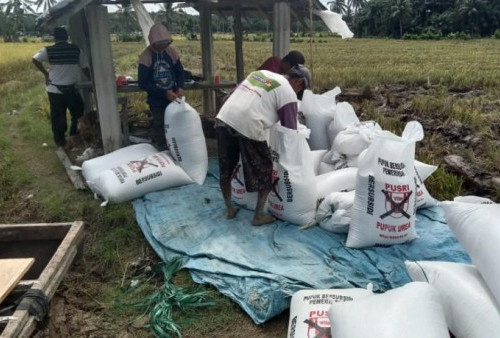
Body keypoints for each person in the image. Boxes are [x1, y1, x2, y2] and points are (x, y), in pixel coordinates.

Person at [215, 65, 311, 226]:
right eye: (301, 88)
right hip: (248, 124)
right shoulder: (288, 92)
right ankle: (258, 216)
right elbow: (290, 129)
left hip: (224, 117)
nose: (298, 92)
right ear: (299, 81)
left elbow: (231, 96)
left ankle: (230, 209)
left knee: (226, 168)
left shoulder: (259, 74)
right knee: (266, 170)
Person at [32, 27, 88, 148]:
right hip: (71, 89)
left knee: (58, 116)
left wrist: (46, 74)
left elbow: (35, 59)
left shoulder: (48, 50)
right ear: (67, 37)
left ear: (55, 38)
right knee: (78, 112)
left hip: (54, 90)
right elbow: (84, 67)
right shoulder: (75, 49)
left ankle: (60, 141)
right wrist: (92, 80)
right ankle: (74, 135)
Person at [138, 23, 185, 150]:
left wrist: (180, 87)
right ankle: (162, 150)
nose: (163, 46)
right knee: (160, 124)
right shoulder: (146, 56)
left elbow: (180, 72)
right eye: (160, 44)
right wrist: (163, 93)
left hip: (174, 97)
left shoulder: (171, 53)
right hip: (157, 101)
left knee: (176, 123)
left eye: (165, 43)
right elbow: (143, 82)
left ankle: (177, 149)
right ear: (153, 43)